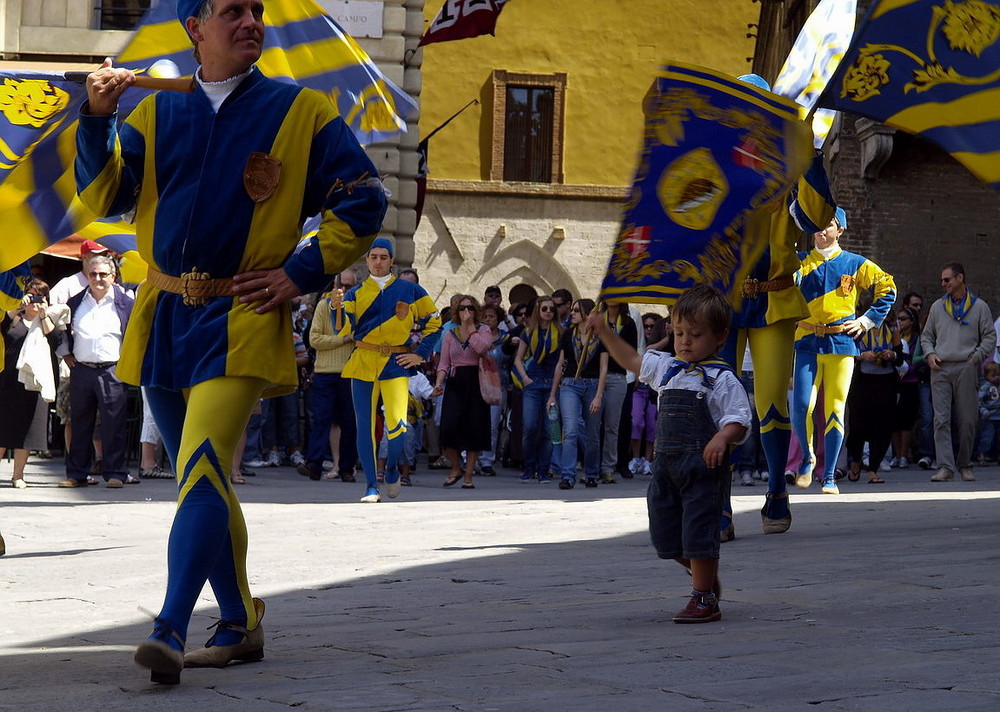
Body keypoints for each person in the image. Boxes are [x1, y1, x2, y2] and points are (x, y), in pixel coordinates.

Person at [74, 0, 388, 684]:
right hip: (162, 311)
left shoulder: (302, 110)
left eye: (256, 10)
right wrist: (96, 118)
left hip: (242, 312)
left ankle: (168, 626)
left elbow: (364, 198)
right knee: (200, 478)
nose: (251, 21)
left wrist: (300, 271)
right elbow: (103, 197)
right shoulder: (153, 111)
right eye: (232, 11)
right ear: (196, 28)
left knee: (206, 463)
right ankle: (242, 621)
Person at [588, 284, 751, 623]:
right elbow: (631, 359)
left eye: (695, 334)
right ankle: (701, 575)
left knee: (698, 532)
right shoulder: (666, 368)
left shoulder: (722, 378)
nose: (685, 341)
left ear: (720, 337)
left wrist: (722, 437)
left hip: (703, 471)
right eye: (678, 333)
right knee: (665, 537)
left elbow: (739, 419)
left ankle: (703, 596)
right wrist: (604, 330)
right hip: (666, 470)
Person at [720, 72, 837, 536]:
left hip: (775, 299)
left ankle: (775, 492)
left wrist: (809, 154)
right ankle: (718, 501)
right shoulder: (714, 163)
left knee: (771, 402)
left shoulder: (789, 165)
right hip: (722, 304)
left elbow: (816, 217)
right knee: (719, 401)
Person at [791, 208, 896, 495]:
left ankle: (829, 476)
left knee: (835, 409)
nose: (821, 231)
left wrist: (866, 321)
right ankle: (807, 457)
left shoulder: (855, 263)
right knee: (801, 405)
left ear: (841, 231)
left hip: (841, 344)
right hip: (807, 342)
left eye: (828, 225)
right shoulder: (799, 262)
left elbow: (888, 287)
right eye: (816, 225)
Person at [339, 238, 442, 503]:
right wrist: (335, 309)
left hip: (396, 362)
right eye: (374, 257)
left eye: (384, 257)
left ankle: (394, 466)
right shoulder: (354, 293)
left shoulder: (410, 290)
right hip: (363, 361)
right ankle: (371, 486)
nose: (378, 261)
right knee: (364, 426)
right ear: (367, 260)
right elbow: (343, 329)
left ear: (392, 261)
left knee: (398, 424)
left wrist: (418, 354)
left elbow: (434, 323)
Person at [55, 254, 136, 488]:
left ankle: (115, 474)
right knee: (80, 423)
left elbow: (134, 336)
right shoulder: (75, 302)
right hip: (82, 370)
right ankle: (77, 474)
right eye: (93, 274)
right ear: (87, 276)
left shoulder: (125, 303)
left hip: (113, 369)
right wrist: (65, 354)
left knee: (114, 424)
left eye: (103, 274)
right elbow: (63, 330)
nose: (98, 278)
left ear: (113, 276)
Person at [921, 263, 996, 482]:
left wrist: (975, 358)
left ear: (960, 278)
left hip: (966, 365)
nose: (943, 284)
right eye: (942, 280)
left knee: (968, 419)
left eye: (947, 280)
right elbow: (926, 336)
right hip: (940, 367)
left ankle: (965, 464)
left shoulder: (979, 306)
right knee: (941, 419)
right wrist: (930, 354)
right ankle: (945, 467)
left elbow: (990, 336)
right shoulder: (937, 307)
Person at [298, 269, 359, 482]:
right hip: (325, 372)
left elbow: (360, 337)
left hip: (349, 372)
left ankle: (346, 468)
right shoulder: (324, 306)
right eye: (341, 285)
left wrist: (347, 339)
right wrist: (343, 340)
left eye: (349, 286)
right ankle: (313, 464)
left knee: (349, 422)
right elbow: (315, 340)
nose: (344, 290)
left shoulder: (357, 308)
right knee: (321, 419)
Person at [0, 280, 60, 489]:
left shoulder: (48, 321)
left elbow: (56, 340)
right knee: (2, 430)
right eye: (31, 295)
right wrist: (17, 304)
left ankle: (18, 475)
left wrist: (43, 316)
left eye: (39, 296)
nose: (34, 301)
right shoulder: (13, 319)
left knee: (26, 432)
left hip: (34, 384)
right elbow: (2, 326)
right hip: (8, 383)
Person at [433, 295, 492, 488]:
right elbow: (444, 362)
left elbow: (482, 348)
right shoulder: (450, 334)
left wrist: (471, 329)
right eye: (462, 308)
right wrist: (439, 382)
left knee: (474, 429)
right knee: (448, 428)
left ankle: (468, 476)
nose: (466, 311)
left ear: (476, 311)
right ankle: (456, 468)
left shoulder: (483, 330)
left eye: (470, 308)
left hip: (476, 382)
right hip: (456, 382)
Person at [548, 298, 607, 489]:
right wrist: (552, 394)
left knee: (592, 434)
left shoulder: (601, 336)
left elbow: (604, 368)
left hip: (592, 384)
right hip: (570, 384)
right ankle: (568, 475)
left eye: (576, 310)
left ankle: (591, 473)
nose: (571, 313)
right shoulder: (568, 335)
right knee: (570, 430)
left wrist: (598, 395)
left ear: (589, 314)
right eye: (572, 309)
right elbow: (561, 364)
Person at [844, 308, 903, 484]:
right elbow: (847, 353)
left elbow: (900, 357)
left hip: (885, 383)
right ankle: (855, 461)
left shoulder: (892, 330)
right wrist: (862, 355)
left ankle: (873, 469)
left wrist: (891, 354)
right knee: (857, 426)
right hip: (862, 383)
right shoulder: (858, 328)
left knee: (883, 427)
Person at [513, 296, 562, 483]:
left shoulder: (560, 332)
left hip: (551, 384)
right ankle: (529, 467)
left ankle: (543, 470)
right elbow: (518, 358)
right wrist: (524, 378)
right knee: (530, 426)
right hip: (532, 384)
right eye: (544, 309)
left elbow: (560, 362)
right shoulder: (528, 332)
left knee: (549, 430)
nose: (548, 312)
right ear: (538, 312)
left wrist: (553, 393)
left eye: (551, 309)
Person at [598, 301, 637, 484]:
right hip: (594, 376)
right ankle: (591, 465)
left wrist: (612, 349)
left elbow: (630, 354)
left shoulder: (628, 324)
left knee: (612, 425)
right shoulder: (599, 321)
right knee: (592, 425)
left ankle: (608, 467)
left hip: (617, 377)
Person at [891, 306, 921, 467]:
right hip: (895, 383)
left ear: (912, 321)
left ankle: (903, 455)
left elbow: (918, 361)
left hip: (910, 383)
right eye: (898, 319)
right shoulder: (894, 336)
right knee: (894, 422)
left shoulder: (917, 339)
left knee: (906, 421)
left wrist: (907, 369)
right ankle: (896, 455)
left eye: (903, 319)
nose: (899, 322)